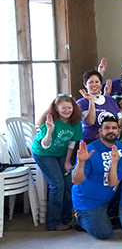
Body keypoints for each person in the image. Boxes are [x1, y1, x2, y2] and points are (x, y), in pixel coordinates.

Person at [71, 115, 122, 240]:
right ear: (100, 131)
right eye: (107, 128)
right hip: (90, 202)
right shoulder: (90, 151)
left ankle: (111, 214)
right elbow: (76, 180)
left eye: (114, 128)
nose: (111, 131)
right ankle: (78, 217)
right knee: (104, 233)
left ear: (118, 131)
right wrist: (81, 162)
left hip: (112, 196)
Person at [32, 94, 83, 231]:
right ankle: (53, 222)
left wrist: (67, 161)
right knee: (57, 184)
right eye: (63, 108)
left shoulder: (75, 121)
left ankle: (67, 218)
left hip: (61, 153)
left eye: (69, 108)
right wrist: (49, 131)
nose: (67, 111)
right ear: (56, 108)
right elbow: (45, 145)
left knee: (68, 182)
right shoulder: (49, 120)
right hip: (44, 153)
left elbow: (72, 143)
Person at [77, 70, 122, 143]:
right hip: (90, 141)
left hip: (110, 141)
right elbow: (90, 122)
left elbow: (120, 118)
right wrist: (91, 101)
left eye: (97, 82)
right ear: (85, 85)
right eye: (91, 82)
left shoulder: (110, 99)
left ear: (101, 84)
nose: (94, 84)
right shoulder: (81, 103)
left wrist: (110, 132)